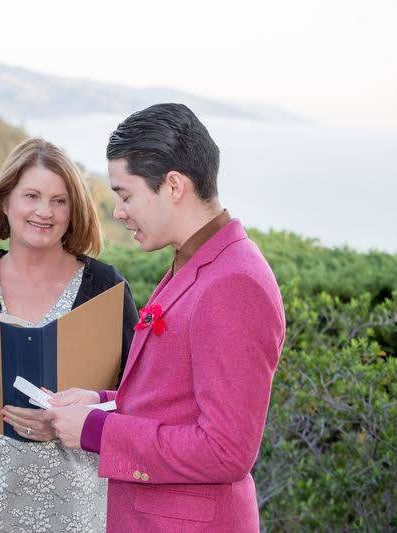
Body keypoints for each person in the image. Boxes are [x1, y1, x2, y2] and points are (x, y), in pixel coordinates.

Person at [49, 103, 286, 532]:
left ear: (173, 185)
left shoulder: (235, 283)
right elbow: (177, 398)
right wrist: (102, 403)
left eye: (126, 194)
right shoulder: (196, 261)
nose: (119, 212)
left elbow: (226, 450)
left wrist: (98, 431)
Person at [0, 138, 137, 532]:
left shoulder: (105, 286)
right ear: (4, 201)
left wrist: (73, 418)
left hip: (73, 506)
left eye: (59, 200)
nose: (44, 212)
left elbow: (139, 398)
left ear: (74, 210)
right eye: (31, 195)